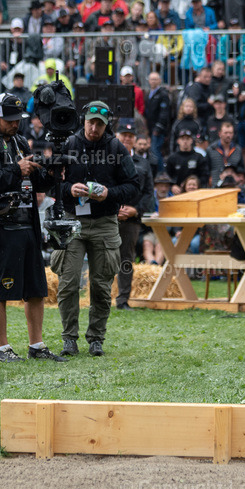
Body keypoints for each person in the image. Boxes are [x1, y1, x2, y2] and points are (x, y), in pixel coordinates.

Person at [0, 93, 66, 364]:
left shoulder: (19, 141)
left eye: (18, 119)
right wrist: (17, 169)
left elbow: (34, 179)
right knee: (1, 287)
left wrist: (51, 171)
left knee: (35, 286)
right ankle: (3, 348)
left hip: (27, 220)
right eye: (9, 120)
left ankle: (37, 345)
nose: (15, 124)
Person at [53, 100, 140, 357]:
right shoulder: (68, 145)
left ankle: (96, 338)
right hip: (73, 221)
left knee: (101, 285)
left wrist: (109, 194)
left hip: (104, 222)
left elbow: (133, 186)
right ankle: (69, 337)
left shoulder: (116, 148)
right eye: (91, 122)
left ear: (106, 125)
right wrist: (68, 188)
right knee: (68, 282)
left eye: (99, 124)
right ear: (83, 120)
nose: (94, 128)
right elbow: (49, 184)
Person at [115, 119, 155, 310]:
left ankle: (123, 300)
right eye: (124, 135)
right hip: (108, 215)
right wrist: (113, 208)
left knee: (126, 260)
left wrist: (136, 210)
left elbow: (148, 192)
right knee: (102, 258)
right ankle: (100, 298)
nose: (127, 139)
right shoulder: (106, 159)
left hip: (131, 218)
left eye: (130, 136)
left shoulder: (143, 163)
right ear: (117, 136)